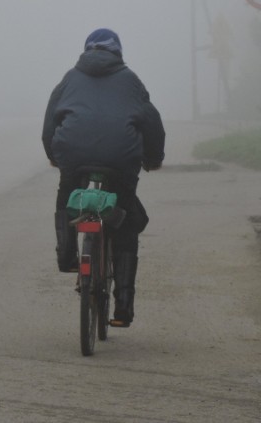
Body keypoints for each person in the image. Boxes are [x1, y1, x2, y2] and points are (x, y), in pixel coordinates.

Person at [42, 28, 165, 327]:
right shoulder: (131, 81)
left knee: (67, 195)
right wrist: (153, 160)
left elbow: (50, 122)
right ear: (118, 52)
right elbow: (152, 125)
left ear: (86, 50)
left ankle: (68, 255)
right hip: (120, 158)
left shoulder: (69, 78)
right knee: (125, 219)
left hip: (73, 154)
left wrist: (54, 156)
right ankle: (122, 306)